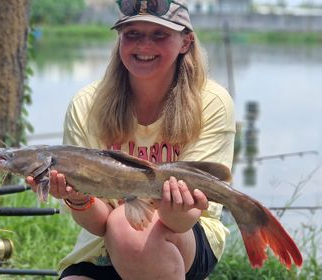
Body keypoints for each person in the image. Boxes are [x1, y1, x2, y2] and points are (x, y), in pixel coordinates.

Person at [27, 0, 235, 279]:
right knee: (119, 228)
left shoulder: (211, 102)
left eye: (159, 34)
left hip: (184, 233)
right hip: (102, 241)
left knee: (128, 230)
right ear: (119, 40)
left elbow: (184, 219)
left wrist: (175, 208)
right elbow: (99, 224)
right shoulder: (85, 104)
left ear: (186, 41)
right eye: (132, 34)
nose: (144, 46)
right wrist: (78, 198)